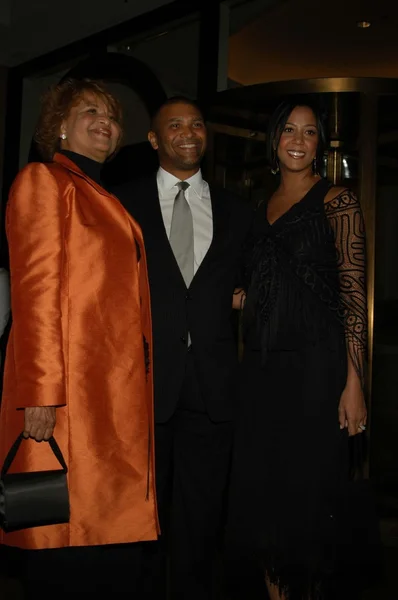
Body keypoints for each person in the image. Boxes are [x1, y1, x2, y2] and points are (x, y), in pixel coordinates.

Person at [0, 77, 159, 598]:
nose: (104, 122)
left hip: (110, 395)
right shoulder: (44, 181)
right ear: (60, 126)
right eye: (89, 111)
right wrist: (40, 393)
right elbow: (35, 292)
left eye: (112, 117)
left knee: (108, 542)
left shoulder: (103, 196)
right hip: (70, 398)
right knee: (66, 539)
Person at [226, 97, 370, 600]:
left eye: (309, 133)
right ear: (274, 138)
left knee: (307, 507)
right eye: (289, 129)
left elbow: (353, 297)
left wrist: (355, 384)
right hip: (263, 375)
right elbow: (247, 288)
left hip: (317, 373)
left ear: (319, 145)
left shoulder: (337, 201)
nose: (298, 140)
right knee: (264, 500)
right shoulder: (257, 207)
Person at [112, 96, 252, 599]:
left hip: (214, 390)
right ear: (154, 139)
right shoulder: (121, 203)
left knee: (201, 522)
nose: (188, 132)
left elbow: (254, 281)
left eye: (196, 124)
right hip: (143, 385)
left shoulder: (237, 210)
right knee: (141, 521)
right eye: (174, 125)